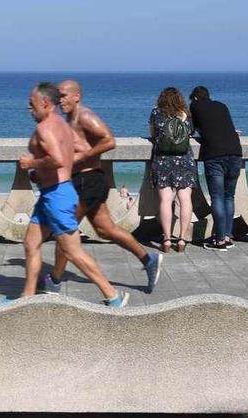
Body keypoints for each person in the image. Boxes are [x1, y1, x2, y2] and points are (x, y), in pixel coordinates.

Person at [40, 80, 162, 295]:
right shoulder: (70, 118)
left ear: (77, 96)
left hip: (87, 182)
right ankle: (149, 259)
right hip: (88, 181)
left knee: (65, 232)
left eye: (63, 95)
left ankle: (55, 280)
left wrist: (81, 157)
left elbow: (109, 140)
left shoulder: (84, 115)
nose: (60, 101)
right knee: (106, 229)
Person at [17, 82, 129, 307]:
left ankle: (113, 296)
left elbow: (57, 159)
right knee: (31, 243)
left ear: (45, 103)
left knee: (72, 250)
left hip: (57, 197)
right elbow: (65, 161)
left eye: (32, 105)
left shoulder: (45, 128)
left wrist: (31, 163)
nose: (29, 109)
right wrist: (40, 175)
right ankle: (26, 299)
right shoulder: (62, 125)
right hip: (53, 192)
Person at [189, 86, 243, 251]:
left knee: (217, 197)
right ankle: (227, 236)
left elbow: (192, 129)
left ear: (195, 98)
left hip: (215, 155)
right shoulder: (221, 105)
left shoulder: (195, 106)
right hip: (235, 152)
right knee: (229, 197)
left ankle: (219, 241)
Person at [149, 87, 196, 253]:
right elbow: (190, 132)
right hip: (184, 160)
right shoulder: (185, 114)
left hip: (162, 161)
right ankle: (182, 240)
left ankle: (167, 239)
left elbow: (153, 135)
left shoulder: (156, 113)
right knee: (185, 200)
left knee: (166, 201)